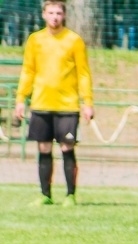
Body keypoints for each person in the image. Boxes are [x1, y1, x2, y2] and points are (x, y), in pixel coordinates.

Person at [15, 0, 94, 207]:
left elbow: (83, 73)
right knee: (43, 148)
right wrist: (21, 99)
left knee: (67, 148)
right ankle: (45, 194)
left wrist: (87, 102)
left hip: (67, 105)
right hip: (41, 103)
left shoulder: (74, 40)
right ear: (43, 14)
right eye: (51, 12)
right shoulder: (35, 40)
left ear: (64, 15)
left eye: (58, 13)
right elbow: (28, 71)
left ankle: (70, 195)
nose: (55, 17)